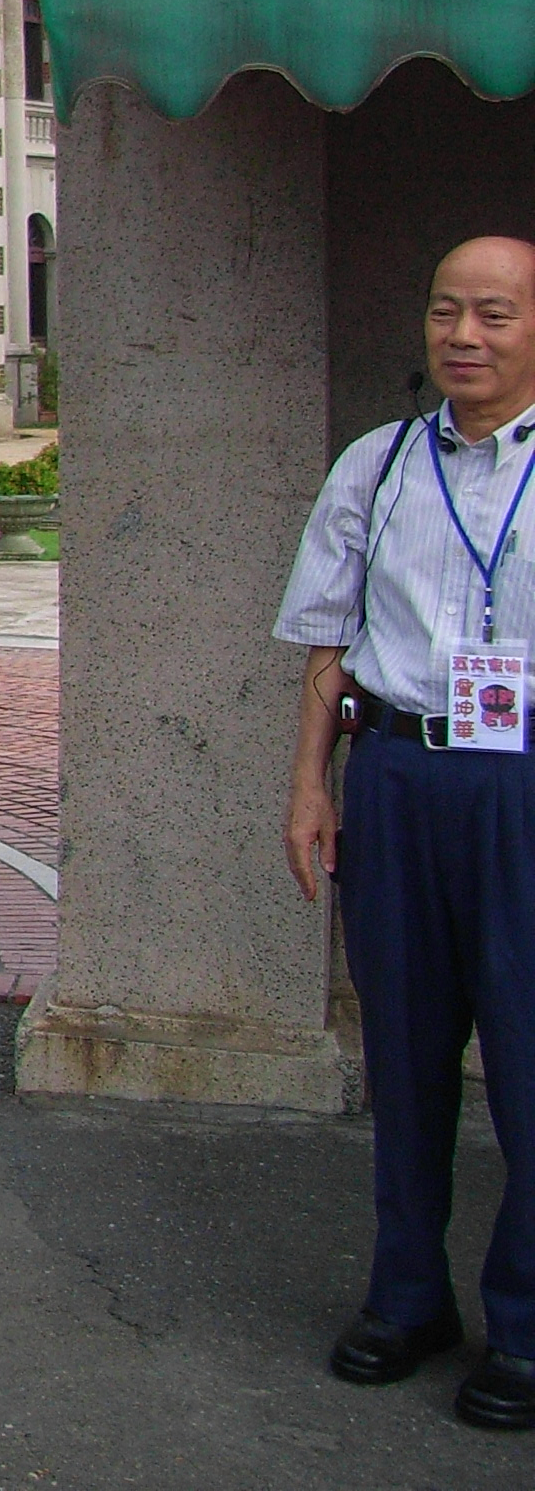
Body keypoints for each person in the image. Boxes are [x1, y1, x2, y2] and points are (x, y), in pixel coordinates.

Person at [282, 233, 535, 1431]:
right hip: (395, 777)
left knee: (530, 1067)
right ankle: (406, 1297)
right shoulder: (375, 466)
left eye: (493, 315)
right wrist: (308, 786)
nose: (464, 338)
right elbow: (327, 645)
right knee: (408, 1054)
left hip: (523, 792)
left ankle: (526, 1324)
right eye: (446, 312)